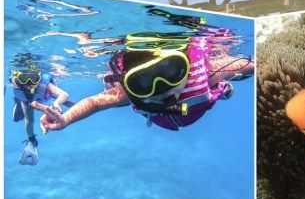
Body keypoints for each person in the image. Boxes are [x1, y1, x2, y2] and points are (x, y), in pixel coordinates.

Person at [31, 32, 254, 133]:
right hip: (161, 120)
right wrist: (66, 119)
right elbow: (94, 102)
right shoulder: (127, 93)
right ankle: (221, 90)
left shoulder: (206, 73)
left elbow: (248, 65)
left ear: (184, 62)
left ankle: (222, 91)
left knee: (221, 78)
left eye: (171, 70)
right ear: (131, 84)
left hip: (198, 105)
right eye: (144, 81)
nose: (163, 87)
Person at [11, 68, 70, 165]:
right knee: (26, 120)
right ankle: (31, 140)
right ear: (18, 77)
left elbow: (64, 94)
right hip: (26, 101)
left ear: (39, 77)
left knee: (30, 119)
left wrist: (56, 103)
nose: (28, 82)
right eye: (24, 77)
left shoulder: (45, 84)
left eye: (33, 78)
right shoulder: (16, 84)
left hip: (40, 98)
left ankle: (19, 102)